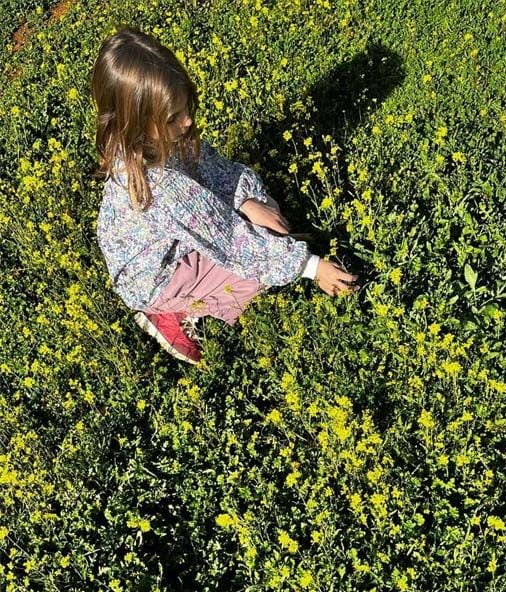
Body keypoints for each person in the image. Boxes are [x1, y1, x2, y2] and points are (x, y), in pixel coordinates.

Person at [91, 26, 359, 365]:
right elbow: (232, 242)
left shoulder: (142, 141)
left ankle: (216, 279)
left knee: (265, 219)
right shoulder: (163, 188)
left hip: (167, 247)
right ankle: (169, 314)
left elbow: (216, 170)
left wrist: (246, 200)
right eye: (175, 118)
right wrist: (311, 267)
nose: (188, 121)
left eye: (186, 105)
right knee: (253, 274)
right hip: (156, 278)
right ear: (138, 122)